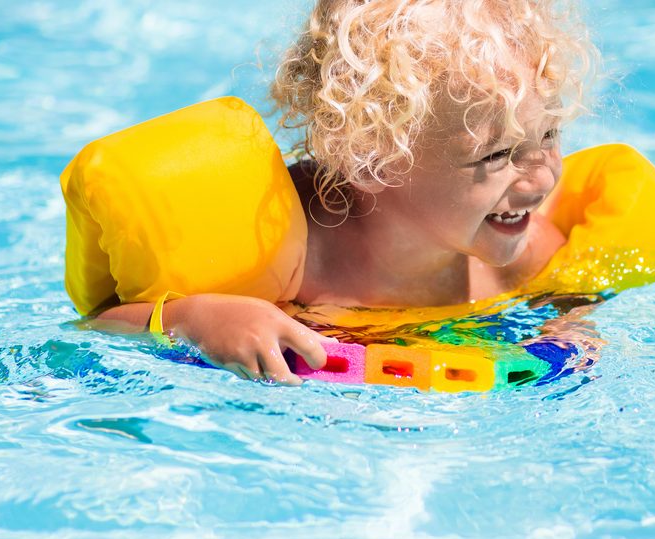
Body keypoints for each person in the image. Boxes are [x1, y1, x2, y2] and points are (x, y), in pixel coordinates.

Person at [82, 0, 594, 383]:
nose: (542, 179)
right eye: (496, 155)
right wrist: (195, 319)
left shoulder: (521, 256)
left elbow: (573, 307)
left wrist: (572, 325)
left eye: (547, 137)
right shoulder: (293, 260)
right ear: (376, 159)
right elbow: (94, 327)